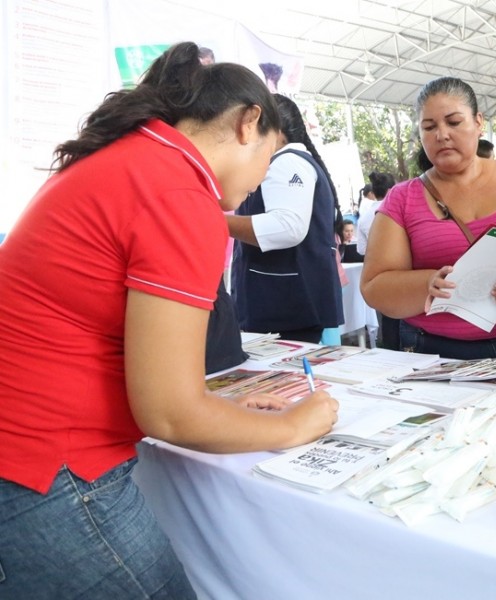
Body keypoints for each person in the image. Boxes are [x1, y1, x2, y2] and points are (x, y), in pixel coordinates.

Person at [0, 42, 339, 599]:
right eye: (269, 157)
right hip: (47, 466)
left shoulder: (128, 160)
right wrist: (291, 427)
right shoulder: (180, 190)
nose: (259, 182)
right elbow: (171, 414)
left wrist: (220, 410)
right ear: (247, 123)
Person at [361, 76, 496, 359]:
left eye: (453, 122)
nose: (441, 134)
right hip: (433, 353)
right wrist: (427, 283)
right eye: (429, 127)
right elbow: (375, 285)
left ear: (478, 122)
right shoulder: (402, 198)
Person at [228, 94, 344, 344]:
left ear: (276, 132)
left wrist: (216, 222)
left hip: (284, 306)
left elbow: (288, 227)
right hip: (290, 305)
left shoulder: (286, 162)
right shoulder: (292, 162)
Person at [357, 171, 396, 256]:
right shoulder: (399, 210)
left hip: (376, 264)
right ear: (390, 191)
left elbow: (361, 250)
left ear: (373, 192)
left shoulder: (363, 219)